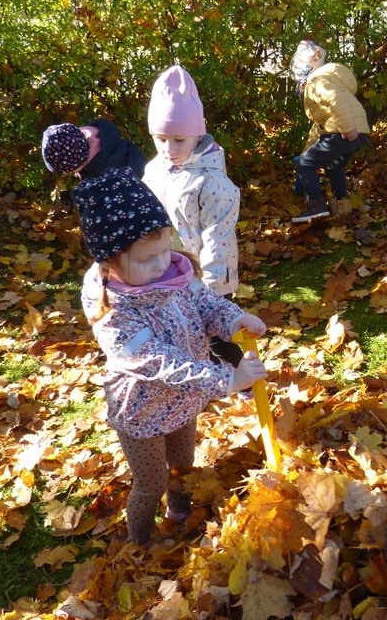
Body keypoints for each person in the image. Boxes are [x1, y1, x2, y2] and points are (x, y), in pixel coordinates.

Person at [72, 166, 268, 545]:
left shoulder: (175, 275)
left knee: (182, 468)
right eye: (147, 259)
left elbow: (207, 304)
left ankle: (179, 515)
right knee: (152, 482)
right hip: (141, 412)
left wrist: (234, 320)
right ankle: (141, 540)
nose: (162, 263)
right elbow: (162, 363)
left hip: (182, 403)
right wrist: (228, 379)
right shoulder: (113, 313)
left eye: (165, 249)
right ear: (109, 263)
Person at [142, 64, 243, 367]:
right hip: (168, 271)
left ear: (197, 135)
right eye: (161, 139)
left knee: (218, 339)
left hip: (207, 275)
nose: (168, 149)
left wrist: (211, 288)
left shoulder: (211, 181)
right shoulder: (154, 170)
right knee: (184, 335)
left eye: (178, 140)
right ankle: (210, 382)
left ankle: (246, 382)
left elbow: (218, 237)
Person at [289, 40, 370, 223]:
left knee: (306, 165)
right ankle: (342, 202)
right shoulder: (330, 79)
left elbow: (336, 100)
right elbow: (319, 128)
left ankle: (316, 205)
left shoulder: (316, 82)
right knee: (334, 166)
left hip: (343, 131)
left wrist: (347, 128)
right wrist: (306, 151)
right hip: (359, 131)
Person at [41, 119, 147, 180]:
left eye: (71, 170)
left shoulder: (101, 173)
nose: (72, 173)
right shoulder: (105, 139)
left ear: (79, 162)